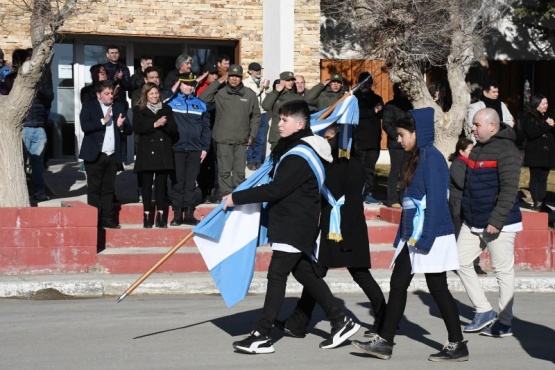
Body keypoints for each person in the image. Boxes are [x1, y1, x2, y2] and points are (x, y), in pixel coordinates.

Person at [226, 100, 360, 354]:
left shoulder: (300, 154)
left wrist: (236, 198)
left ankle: (261, 335)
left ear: (300, 124)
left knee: (277, 275)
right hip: (294, 221)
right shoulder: (296, 149)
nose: (279, 123)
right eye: (279, 119)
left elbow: (276, 189)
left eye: (284, 120)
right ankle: (340, 320)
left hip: (294, 223)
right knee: (304, 273)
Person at [352, 108, 468, 362]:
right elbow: (411, 202)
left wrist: (425, 239)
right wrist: (402, 236)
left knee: (438, 287)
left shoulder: (433, 158)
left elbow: (437, 203)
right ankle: (385, 341)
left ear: (418, 133)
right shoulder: (417, 157)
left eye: (403, 134)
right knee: (398, 283)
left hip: (431, 235)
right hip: (413, 235)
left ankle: (457, 344)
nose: (398, 140)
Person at [275, 124, 386, 339]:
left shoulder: (346, 165)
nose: (325, 141)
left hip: (344, 230)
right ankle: (298, 321)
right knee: (317, 274)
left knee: (359, 275)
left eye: (329, 137)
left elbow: (342, 200)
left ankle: (385, 319)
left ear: (341, 140)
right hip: (334, 228)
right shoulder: (337, 163)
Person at [457, 108, 522, 338]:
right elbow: (470, 187)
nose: (472, 128)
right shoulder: (477, 150)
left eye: (476, 125)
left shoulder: (507, 150)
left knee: (502, 271)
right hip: (474, 221)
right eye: (472, 125)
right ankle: (484, 310)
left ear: (492, 126)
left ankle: (504, 322)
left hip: (499, 224)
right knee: (460, 261)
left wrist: (496, 220)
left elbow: (509, 190)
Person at [199, 64, 260, 197]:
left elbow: (256, 116)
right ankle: (225, 196)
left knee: (239, 172)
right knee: (224, 172)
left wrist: (252, 135)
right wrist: (218, 82)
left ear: (241, 78)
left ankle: (238, 198)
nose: (234, 79)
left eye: (237, 76)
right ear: (227, 77)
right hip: (223, 139)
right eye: (231, 76)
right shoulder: (220, 93)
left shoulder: (250, 95)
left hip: (242, 140)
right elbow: (203, 98)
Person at [78, 80, 132, 229]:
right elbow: (85, 126)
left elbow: (129, 130)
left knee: (108, 188)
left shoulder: (119, 106)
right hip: (95, 154)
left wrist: (121, 127)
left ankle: (107, 219)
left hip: (112, 154)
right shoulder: (90, 105)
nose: (110, 97)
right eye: (106, 94)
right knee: (94, 188)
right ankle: (95, 219)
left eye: (111, 93)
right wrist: (103, 120)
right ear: (98, 95)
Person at [167, 72, 211, 226]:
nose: (189, 87)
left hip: (195, 149)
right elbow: (162, 99)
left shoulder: (200, 104)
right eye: (186, 84)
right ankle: (177, 213)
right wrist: (174, 87)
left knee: (191, 182)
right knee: (178, 182)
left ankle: (189, 213)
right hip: (176, 148)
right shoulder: (171, 101)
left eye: (192, 84)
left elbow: (206, 129)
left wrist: (205, 148)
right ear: (180, 84)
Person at [132, 83, 177, 228]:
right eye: (151, 94)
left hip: (163, 151)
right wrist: (154, 124)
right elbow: (137, 128)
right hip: (146, 152)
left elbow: (174, 131)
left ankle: (161, 215)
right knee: (146, 186)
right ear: (146, 95)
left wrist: (165, 125)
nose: (154, 96)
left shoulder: (167, 109)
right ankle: (146, 215)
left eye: (156, 93)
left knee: (161, 185)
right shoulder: (139, 110)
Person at [23, 64, 54, 201]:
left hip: (39, 128)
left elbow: (49, 97)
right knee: (21, 163)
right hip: (23, 128)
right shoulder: (20, 84)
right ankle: (22, 190)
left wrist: (40, 84)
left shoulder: (43, 85)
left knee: (37, 163)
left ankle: (39, 191)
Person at [352, 71, 384, 205]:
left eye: (368, 83)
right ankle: (356, 192)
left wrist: (376, 111)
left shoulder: (376, 98)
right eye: (363, 83)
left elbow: (382, 112)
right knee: (358, 168)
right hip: (359, 139)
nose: (365, 85)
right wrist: (372, 111)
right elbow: (357, 114)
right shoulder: (354, 98)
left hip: (373, 140)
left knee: (370, 168)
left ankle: (368, 192)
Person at [522, 94, 555, 211]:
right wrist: (546, 125)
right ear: (536, 105)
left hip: (547, 154)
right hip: (535, 153)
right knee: (536, 177)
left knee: (543, 178)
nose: (546, 106)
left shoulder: (547, 115)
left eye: (546, 103)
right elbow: (531, 133)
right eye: (543, 104)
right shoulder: (529, 116)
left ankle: (542, 200)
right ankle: (537, 202)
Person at [382, 84, 413, 208]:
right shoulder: (390, 106)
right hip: (396, 144)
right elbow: (387, 125)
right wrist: (397, 136)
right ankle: (393, 199)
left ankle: (404, 197)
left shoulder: (411, 105)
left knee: (407, 171)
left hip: (410, 143)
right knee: (396, 171)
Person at [262, 71, 301, 151]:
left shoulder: (296, 97)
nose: (291, 82)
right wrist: (276, 91)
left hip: (292, 135)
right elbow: (265, 106)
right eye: (288, 80)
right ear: (282, 81)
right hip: (277, 136)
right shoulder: (275, 95)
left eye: (292, 80)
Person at [244, 62, 271, 170]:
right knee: (251, 137)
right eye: (256, 70)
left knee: (261, 138)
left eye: (259, 69)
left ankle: (258, 160)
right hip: (250, 113)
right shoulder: (246, 82)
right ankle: (250, 160)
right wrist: (260, 88)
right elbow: (251, 95)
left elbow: (270, 93)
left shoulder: (264, 81)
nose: (259, 72)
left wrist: (267, 87)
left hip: (262, 112)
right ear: (250, 71)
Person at [103, 45, 132, 110]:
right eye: (112, 53)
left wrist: (121, 79)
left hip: (121, 100)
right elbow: (102, 85)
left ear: (119, 54)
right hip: (106, 99)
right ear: (107, 54)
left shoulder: (124, 68)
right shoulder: (103, 68)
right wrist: (115, 79)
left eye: (116, 53)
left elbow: (128, 86)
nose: (114, 55)